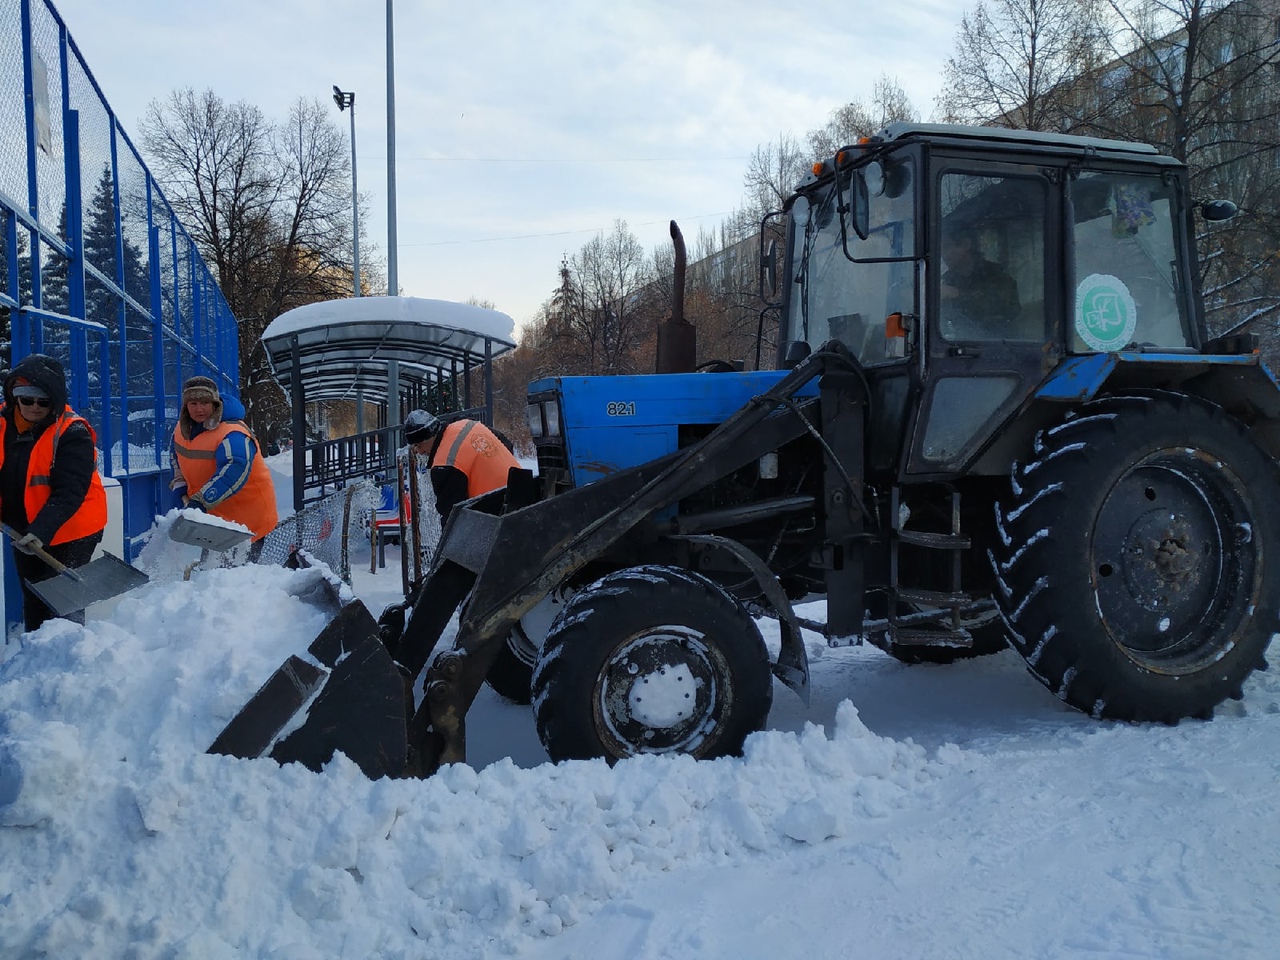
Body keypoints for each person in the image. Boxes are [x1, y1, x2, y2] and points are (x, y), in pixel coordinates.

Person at [0, 354, 108, 631]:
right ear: (14, 397)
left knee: (62, 601)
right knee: (34, 596)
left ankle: (69, 655)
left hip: (73, 527)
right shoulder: (2, 425)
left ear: (55, 400)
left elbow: (71, 489)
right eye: (26, 399)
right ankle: (36, 660)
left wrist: (41, 530)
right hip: (22, 528)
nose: (34, 407)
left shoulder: (72, 432)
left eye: (43, 401)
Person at [170, 376, 278, 556]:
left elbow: (235, 467)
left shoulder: (233, 433)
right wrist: (179, 485)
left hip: (246, 521)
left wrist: (201, 501)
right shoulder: (181, 430)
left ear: (215, 403)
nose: (199, 409)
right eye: (193, 403)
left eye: (205, 402)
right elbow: (175, 457)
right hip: (214, 519)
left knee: (236, 576)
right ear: (185, 406)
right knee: (213, 572)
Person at [403, 410, 520, 519]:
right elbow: (507, 444)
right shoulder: (467, 425)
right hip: (524, 491)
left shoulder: (445, 464)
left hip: (496, 515)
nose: (420, 452)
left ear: (429, 437)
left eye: (419, 445)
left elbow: (452, 518)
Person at [940, 230, 1020, 334]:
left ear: (965, 244)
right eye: (941, 249)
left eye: (946, 247)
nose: (943, 254)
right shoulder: (949, 279)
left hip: (996, 343)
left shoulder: (996, 276)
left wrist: (957, 293)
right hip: (957, 343)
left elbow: (1005, 309)